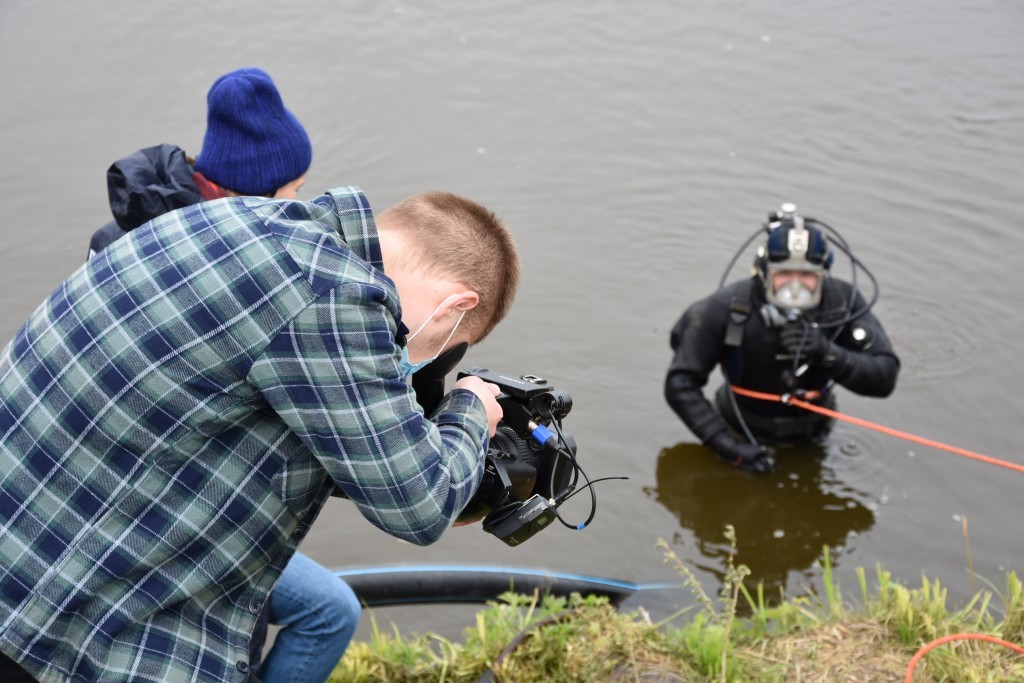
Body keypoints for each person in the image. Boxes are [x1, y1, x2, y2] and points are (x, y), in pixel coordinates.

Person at [0, 181, 518, 683]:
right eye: (443, 344)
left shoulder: (240, 221)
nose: (414, 358)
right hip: (55, 627)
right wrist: (470, 407)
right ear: (456, 306)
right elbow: (419, 504)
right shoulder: (332, 296)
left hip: (33, 543)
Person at [85, 67, 358, 683]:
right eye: (288, 193)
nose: (298, 208)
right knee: (282, 612)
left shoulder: (145, 233)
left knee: (331, 607)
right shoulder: (168, 259)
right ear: (236, 192)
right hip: (156, 514)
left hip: (181, 490)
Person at [664, 203, 900, 473]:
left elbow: (885, 378)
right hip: (739, 426)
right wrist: (728, 447)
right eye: (784, 275)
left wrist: (828, 353)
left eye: (807, 276)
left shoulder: (841, 303)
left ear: (824, 273)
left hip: (817, 431)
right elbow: (680, 383)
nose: (795, 287)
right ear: (764, 272)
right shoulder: (725, 308)